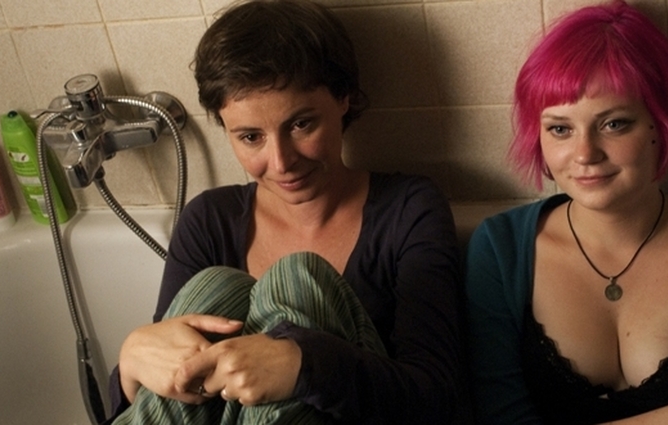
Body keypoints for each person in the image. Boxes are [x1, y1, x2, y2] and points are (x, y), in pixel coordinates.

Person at [106, 0, 466, 423]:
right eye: (251, 137)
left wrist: (305, 367)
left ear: (343, 98)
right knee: (216, 287)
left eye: (300, 124)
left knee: (296, 280)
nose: (281, 163)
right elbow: (167, 374)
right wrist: (130, 364)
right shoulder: (208, 220)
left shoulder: (407, 209)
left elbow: (438, 399)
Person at [464, 1, 668, 424]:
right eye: (560, 129)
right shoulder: (499, 249)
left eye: (614, 124)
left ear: (663, 124)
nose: (585, 154)